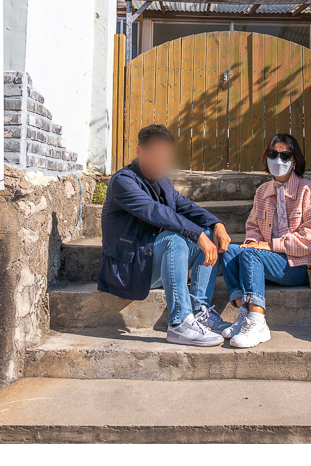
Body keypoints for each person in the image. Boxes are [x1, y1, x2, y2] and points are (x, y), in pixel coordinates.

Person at [98, 124, 238, 346]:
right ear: (139, 151)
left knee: (209, 234)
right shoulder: (123, 182)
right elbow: (157, 213)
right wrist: (197, 234)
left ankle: (199, 311)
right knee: (175, 238)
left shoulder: (163, 180)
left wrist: (216, 223)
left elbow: (185, 206)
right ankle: (179, 323)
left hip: (151, 261)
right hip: (129, 269)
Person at [221, 133, 311, 349]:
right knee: (230, 251)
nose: (278, 160)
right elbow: (253, 226)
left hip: (300, 264)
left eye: (285, 155)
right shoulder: (263, 192)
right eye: (273, 154)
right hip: (267, 259)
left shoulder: (308, 190)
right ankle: (244, 313)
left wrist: (268, 246)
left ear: (294, 161)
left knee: (251, 254)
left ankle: (258, 321)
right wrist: (253, 241)